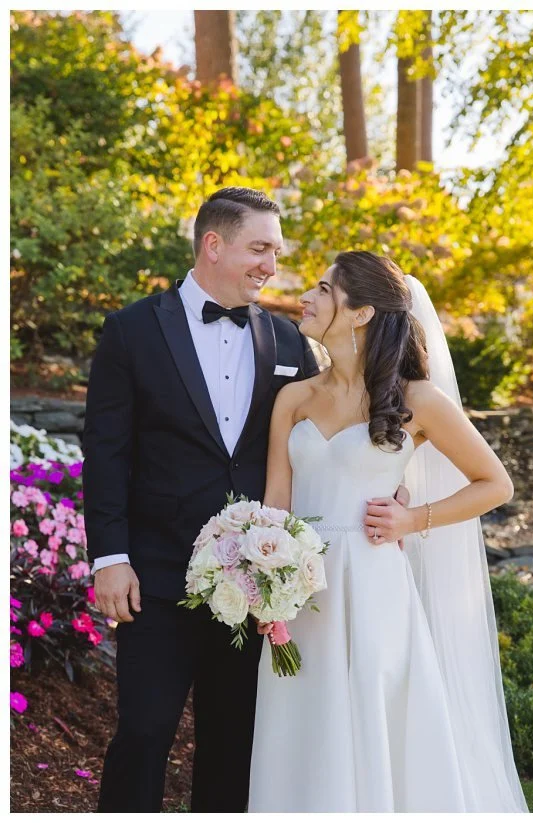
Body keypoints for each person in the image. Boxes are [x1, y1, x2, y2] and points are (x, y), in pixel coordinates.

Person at [247, 252, 528, 812]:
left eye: (323, 290)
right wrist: (261, 584)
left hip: (372, 586)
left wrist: (412, 519)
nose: (305, 297)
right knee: (299, 722)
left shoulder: (416, 399)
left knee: (369, 720)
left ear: (361, 313)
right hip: (299, 594)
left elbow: (495, 484)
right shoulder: (294, 398)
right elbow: (275, 501)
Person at [84, 187, 321, 812]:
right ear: (214, 245)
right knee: (143, 731)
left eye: (277, 251)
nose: (272, 265)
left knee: (234, 743)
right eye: (260, 248)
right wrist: (109, 556)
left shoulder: (290, 344)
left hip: (252, 581)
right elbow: (106, 451)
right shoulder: (131, 330)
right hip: (155, 577)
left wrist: (393, 476)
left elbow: (330, 433)